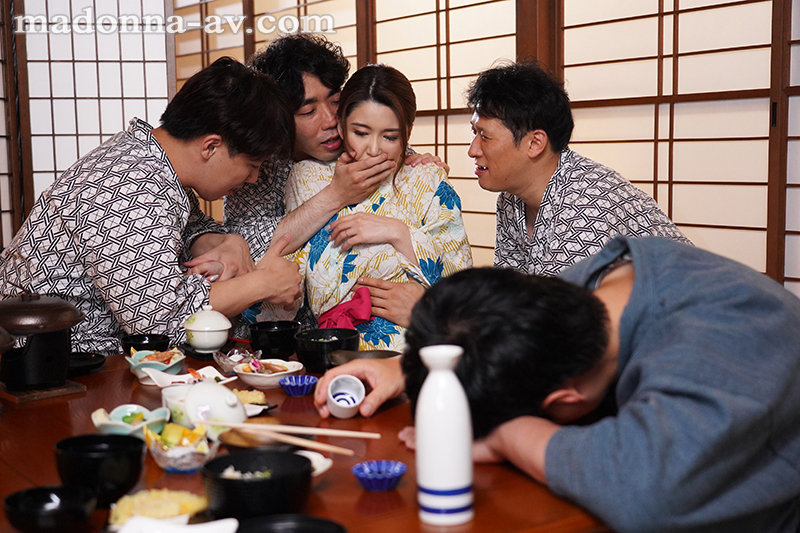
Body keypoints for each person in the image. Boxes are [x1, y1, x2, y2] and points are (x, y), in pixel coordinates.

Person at [399, 236, 800, 531]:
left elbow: (645, 491)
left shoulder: (717, 338)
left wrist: (507, 435)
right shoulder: (588, 289)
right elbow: (479, 326)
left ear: (566, 396)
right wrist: (422, 367)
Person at [355, 59, 690, 328]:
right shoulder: (513, 198)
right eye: (474, 133)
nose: (472, 150)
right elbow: (511, 300)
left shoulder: (584, 202)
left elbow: (551, 328)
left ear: (534, 143)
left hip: (681, 333)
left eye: (485, 136)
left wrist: (430, 311)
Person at [0, 57, 302, 354]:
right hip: (47, 359)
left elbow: (189, 228)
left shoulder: (151, 160)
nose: (253, 178)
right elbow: (161, 324)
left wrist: (227, 242)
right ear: (211, 146)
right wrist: (262, 284)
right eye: (252, 165)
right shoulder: (127, 186)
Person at [213, 34, 446, 328]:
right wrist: (336, 194)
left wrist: (417, 163)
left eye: (335, 101)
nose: (330, 120)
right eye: (308, 111)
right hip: (277, 327)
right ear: (279, 116)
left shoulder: (361, 144)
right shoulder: (257, 164)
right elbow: (246, 249)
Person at [259, 64, 472, 351]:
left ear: (407, 132)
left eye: (390, 137)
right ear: (341, 125)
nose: (374, 149)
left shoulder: (428, 179)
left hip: (415, 346)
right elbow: (286, 275)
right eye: (361, 132)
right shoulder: (308, 177)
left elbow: (462, 289)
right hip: (332, 348)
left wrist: (398, 232)